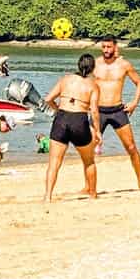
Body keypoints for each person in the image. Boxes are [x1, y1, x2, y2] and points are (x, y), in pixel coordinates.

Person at [42, 53, 101, 201]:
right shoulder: (93, 86)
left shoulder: (65, 79)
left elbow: (48, 99)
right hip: (79, 120)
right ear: (93, 68)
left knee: (54, 162)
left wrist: (57, 109)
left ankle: (48, 196)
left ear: (78, 65)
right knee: (89, 161)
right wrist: (98, 131)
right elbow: (94, 111)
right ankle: (93, 194)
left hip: (61, 119)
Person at [93, 35, 140, 190]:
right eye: (103, 47)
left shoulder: (124, 65)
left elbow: (139, 83)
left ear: (115, 47)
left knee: (131, 147)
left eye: (109, 47)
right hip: (98, 111)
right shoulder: (95, 64)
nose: (106, 50)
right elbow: (84, 82)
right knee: (88, 150)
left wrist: (134, 103)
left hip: (117, 110)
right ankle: (89, 186)